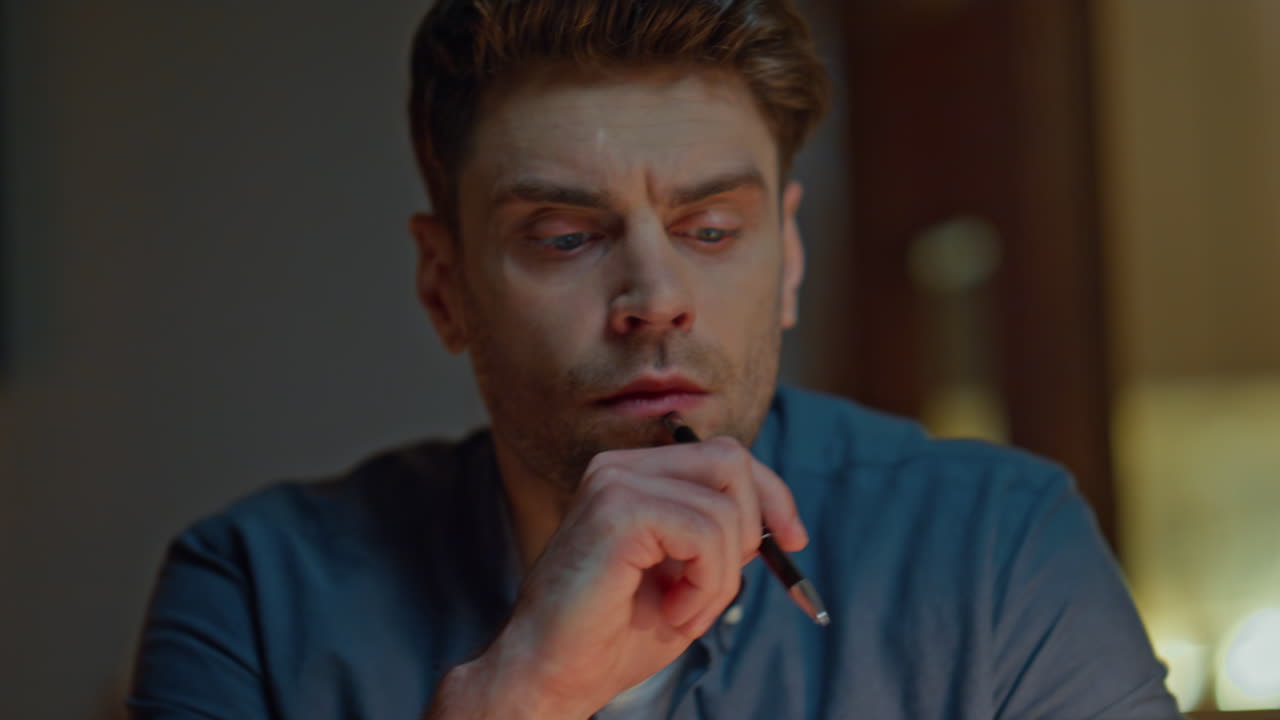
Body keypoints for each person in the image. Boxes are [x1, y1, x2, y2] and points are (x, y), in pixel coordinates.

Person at [127, 1, 1183, 718]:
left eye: (711, 230)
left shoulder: (998, 550)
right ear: (445, 287)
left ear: (788, 258)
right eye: (563, 239)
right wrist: (520, 699)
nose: (655, 299)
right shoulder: (254, 596)